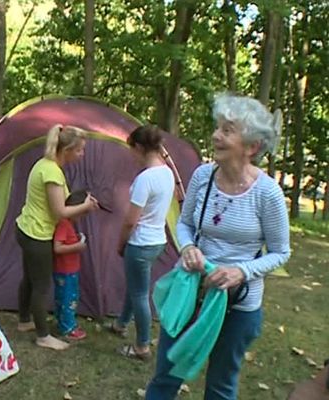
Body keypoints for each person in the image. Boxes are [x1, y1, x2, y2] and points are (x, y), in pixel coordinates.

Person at [145, 93, 290, 399]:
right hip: (190, 293)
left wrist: (240, 271)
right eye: (218, 127)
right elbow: (183, 224)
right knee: (166, 375)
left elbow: (281, 252)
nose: (215, 135)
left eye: (227, 130)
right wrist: (187, 249)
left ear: (251, 146)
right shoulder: (202, 176)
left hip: (238, 306)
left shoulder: (268, 194)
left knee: (221, 386)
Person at [16, 124, 99, 351]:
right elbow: (60, 212)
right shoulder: (52, 172)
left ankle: (25, 320)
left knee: (29, 279)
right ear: (68, 150)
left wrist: (81, 201)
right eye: (80, 150)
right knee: (41, 285)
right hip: (37, 235)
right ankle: (43, 336)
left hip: (26, 228)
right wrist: (85, 207)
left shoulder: (44, 165)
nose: (82, 154)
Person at [112, 125, 175, 360]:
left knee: (139, 294)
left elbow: (130, 221)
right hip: (157, 241)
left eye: (132, 150)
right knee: (136, 286)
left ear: (139, 147)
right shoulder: (167, 173)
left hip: (139, 243)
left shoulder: (145, 179)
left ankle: (142, 346)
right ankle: (121, 323)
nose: (132, 156)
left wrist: (121, 244)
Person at [52, 191, 89, 341]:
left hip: (69, 270)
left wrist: (76, 240)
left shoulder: (68, 224)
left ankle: (63, 323)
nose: (81, 217)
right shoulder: (64, 224)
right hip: (65, 271)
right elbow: (58, 248)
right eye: (81, 213)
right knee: (68, 299)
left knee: (64, 297)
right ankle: (68, 327)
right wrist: (77, 247)